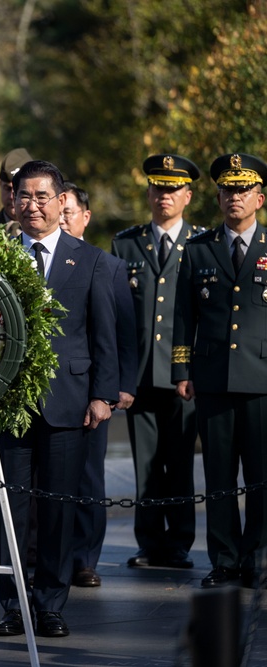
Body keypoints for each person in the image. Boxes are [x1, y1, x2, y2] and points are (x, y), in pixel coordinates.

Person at [0, 160, 119, 638]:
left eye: (42, 196)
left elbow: (102, 331)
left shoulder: (87, 259)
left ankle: (49, 603)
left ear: (62, 201)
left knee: (60, 508)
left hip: (68, 399)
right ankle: (12, 603)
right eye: (23, 196)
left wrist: (103, 394)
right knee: (13, 508)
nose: (32, 206)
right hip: (8, 402)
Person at [173, 152, 267, 588]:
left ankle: (259, 559)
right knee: (218, 475)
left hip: (262, 381)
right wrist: (182, 370)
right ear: (217, 197)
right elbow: (182, 314)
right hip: (212, 378)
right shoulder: (198, 249)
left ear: (259, 198)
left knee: (262, 475)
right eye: (228, 190)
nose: (235, 198)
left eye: (243, 190)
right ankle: (224, 560)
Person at [111, 154, 203, 571]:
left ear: (187, 195)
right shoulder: (126, 244)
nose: (163, 196)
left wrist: (191, 370)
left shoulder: (202, 245)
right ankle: (149, 543)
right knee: (145, 463)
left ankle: (180, 543)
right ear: (149, 192)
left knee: (180, 462)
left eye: (172, 189)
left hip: (184, 375)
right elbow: (117, 315)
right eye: (157, 188)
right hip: (140, 374)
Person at [60, 183, 137, 588]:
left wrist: (120, 386)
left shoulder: (107, 265)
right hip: (55, 387)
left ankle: (85, 558)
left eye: (68, 211)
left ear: (85, 217)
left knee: (89, 476)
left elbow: (123, 330)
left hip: (94, 388)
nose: (61, 217)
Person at [0, 148, 33, 237]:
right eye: (7, 188)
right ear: (0, 185)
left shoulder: (50, 229)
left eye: (18, 191)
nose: (12, 197)